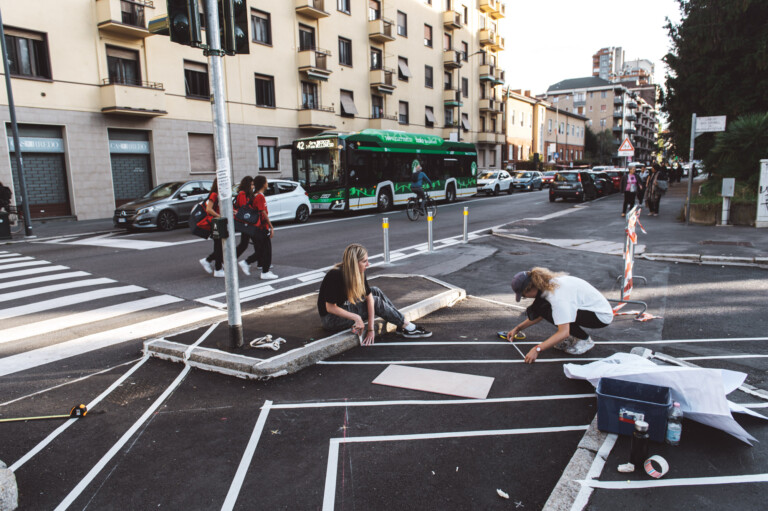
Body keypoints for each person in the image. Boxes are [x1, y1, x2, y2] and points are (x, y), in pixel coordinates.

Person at [318, 243, 431, 344]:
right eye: (364, 261)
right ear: (353, 263)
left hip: (344, 307)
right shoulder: (334, 275)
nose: (368, 264)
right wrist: (356, 317)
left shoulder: (359, 272)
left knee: (374, 290)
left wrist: (371, 329)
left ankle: (401, 324)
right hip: (331, 319)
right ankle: (407, 326)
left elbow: (370, 298)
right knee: (376, 300)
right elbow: (330, 308)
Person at [505, 267, 612, 364]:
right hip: (588, 308)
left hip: (600, 316)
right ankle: (576, 336)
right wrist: (518, 328)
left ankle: (584, 340)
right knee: (543, 308)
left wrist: (537, 349)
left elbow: (563, 332)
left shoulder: (557, 296)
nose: (525, 297)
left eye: (523, 295)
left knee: (552, 312)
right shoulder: (547, 284)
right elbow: (540, 314)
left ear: (530, 289)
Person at [239, 175, 278, 280]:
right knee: (267, 250)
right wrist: (271, 227)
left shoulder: (254, 195)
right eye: (266, 181)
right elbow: (263, 212)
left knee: (262, 250)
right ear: (263, 184)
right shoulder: (260, 196)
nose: (267, 183)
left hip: (256, 227)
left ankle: (249, 263)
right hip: (261, 227)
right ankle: (262, 270)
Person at [198, 178, 224, 278]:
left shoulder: (218, 194)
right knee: (219, 245)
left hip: (218, 222)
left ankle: (215, 264)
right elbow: (209, 209)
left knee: (221, 245)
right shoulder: (214, 194)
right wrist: (218, 216)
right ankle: (216, 267)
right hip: (216, 222)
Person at [234, 175, 257, 271]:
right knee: (247, 244)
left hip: (248, 222)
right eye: (251, 185)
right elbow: (244, 208)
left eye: (253, 185)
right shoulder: (242, 194)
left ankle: (259, 261)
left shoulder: (248, 194)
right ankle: (250, 262)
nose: (253, 186)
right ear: (247, 185)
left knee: (244, 244)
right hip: (246, 222)